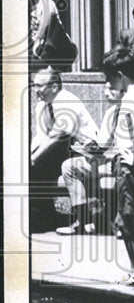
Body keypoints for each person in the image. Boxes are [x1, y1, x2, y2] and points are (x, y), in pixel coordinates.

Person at [59, 47, 134, 287]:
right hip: (130, 164)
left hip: (130, 165)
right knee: (123, 221)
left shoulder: (131, 98)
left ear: (119, 74)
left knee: (132, 221)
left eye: (109, 78)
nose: (108, 83)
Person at [29, 67, 99, 232]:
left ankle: (42, 215)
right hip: (61, 151)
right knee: (33, 165)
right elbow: (41, 137)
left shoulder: (66, 100)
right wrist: (28, 155)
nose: (36, 90)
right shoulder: (42, 106)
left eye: (40, 86)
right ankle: (43, 214)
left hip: (86, 152)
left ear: (54, 86)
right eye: (34, 85)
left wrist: (33, 158)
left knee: (38, 164)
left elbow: (58, 136)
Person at [30, 0, 78, 73]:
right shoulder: (23, 10)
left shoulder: (46, 2)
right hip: (39, 54)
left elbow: (47, 19)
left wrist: (37, 38)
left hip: (59, 48)